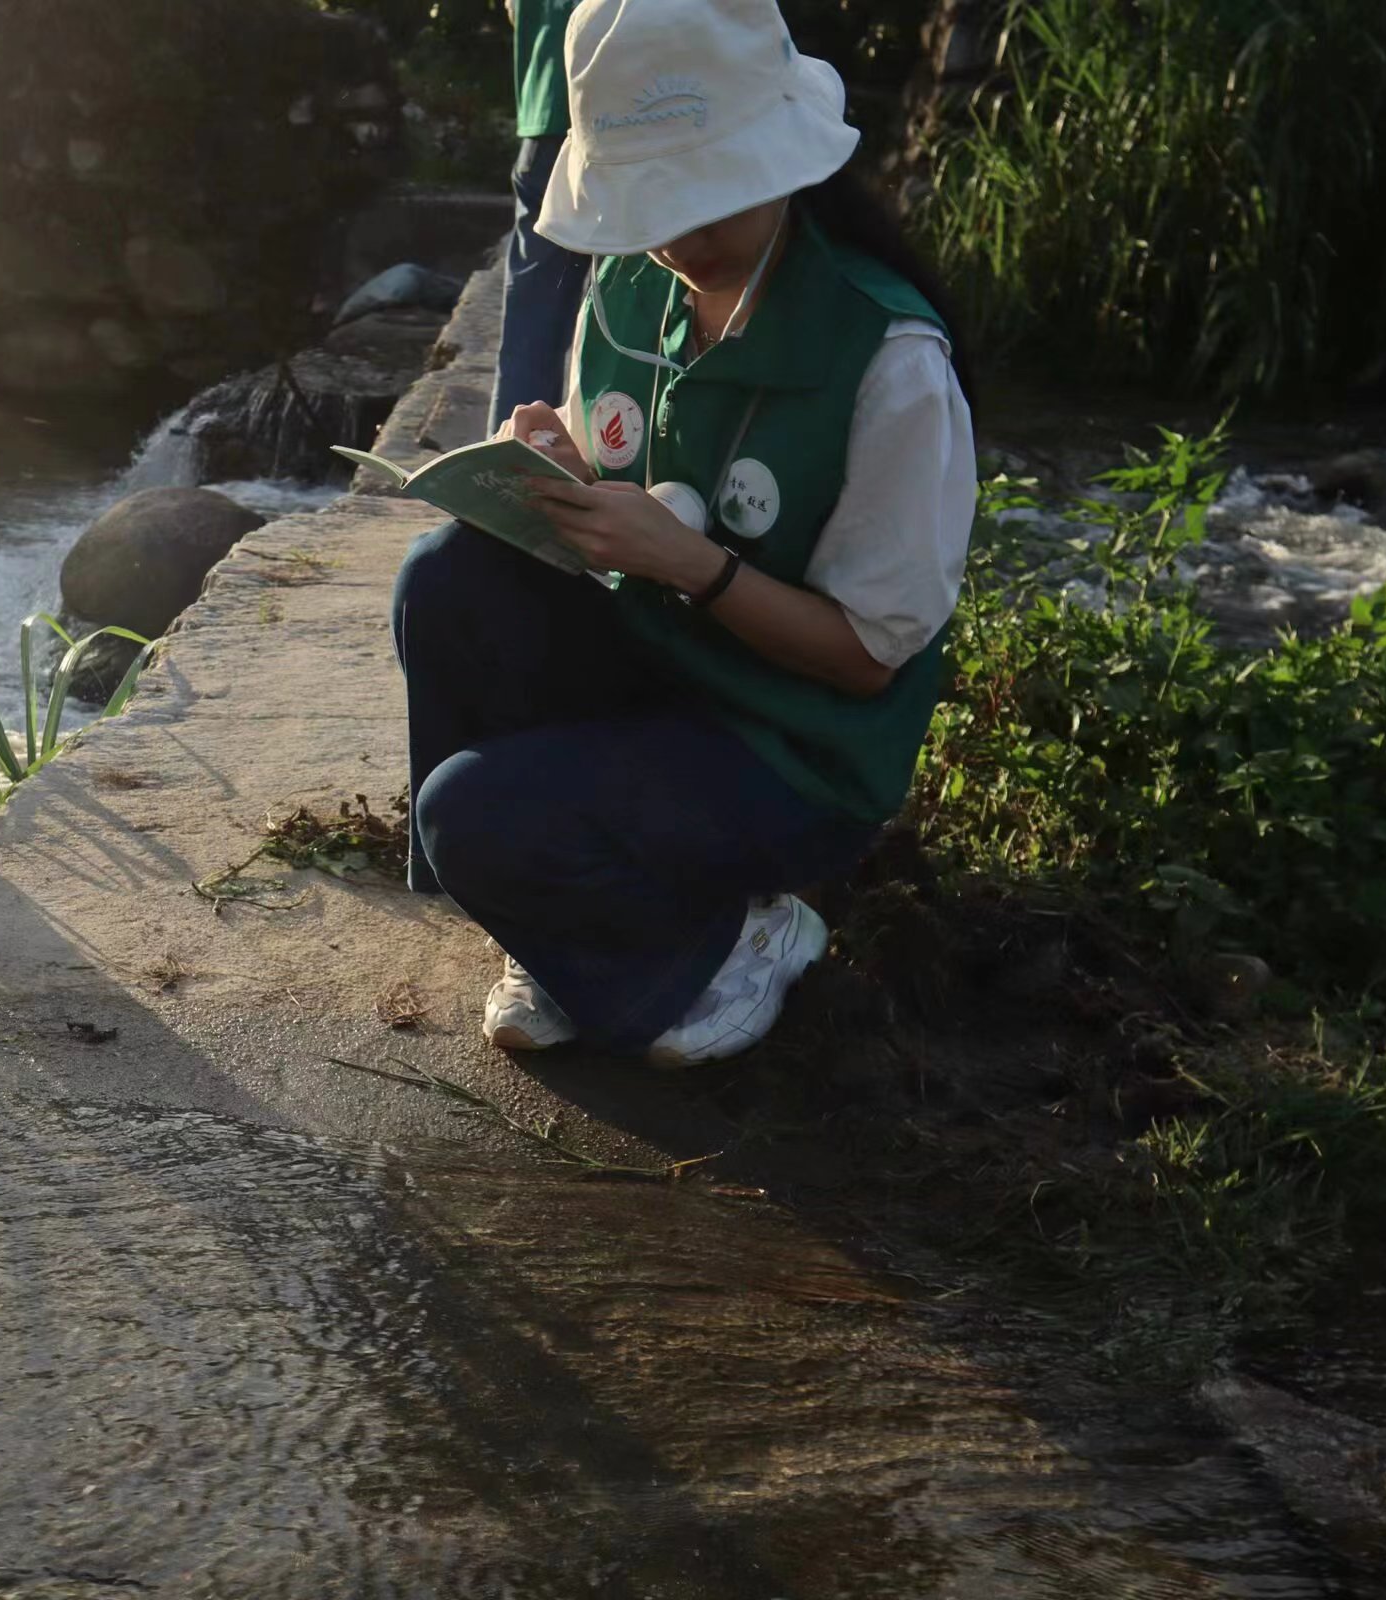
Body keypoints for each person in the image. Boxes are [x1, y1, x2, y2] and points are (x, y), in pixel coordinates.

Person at [392, 0, 978, 1067]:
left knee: (470, 815)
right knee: (446, 581)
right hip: (662, 665)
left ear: (783, 162)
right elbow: (615, 457)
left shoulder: (889, 359)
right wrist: (557, 468)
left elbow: (866, 659)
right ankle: (561, 928)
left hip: (794, 749)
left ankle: (737, 937)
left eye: (705, 204)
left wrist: (694, 568)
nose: (676, 242)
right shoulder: (632, 282)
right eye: (650, 206)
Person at [491, 0, 590, 431]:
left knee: (531, 319)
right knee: (632, 308)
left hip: (542, 120)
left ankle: (511, 453)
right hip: (623, 115)